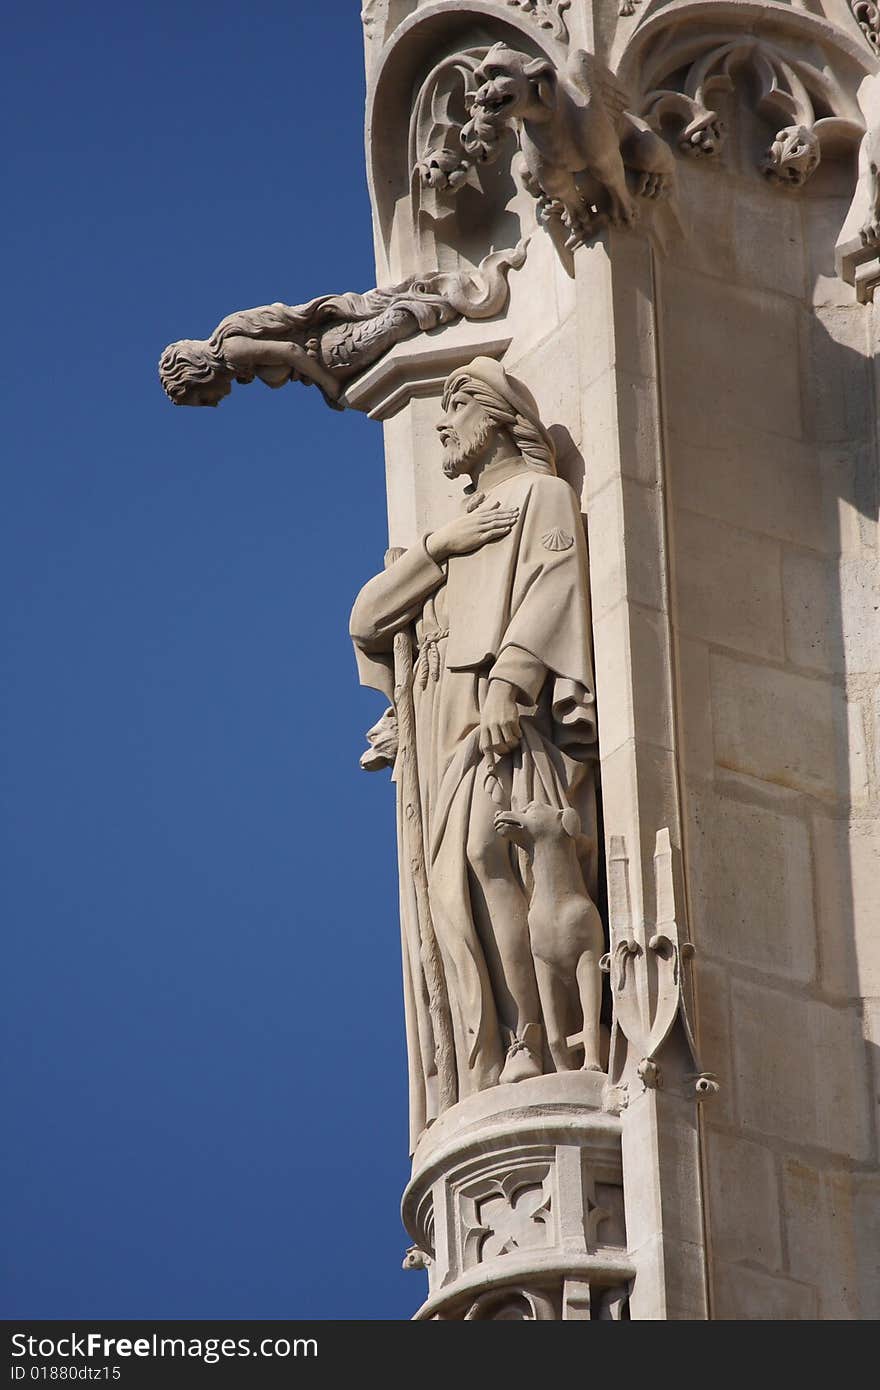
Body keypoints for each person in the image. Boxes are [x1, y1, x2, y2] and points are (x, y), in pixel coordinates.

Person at [350, 358, 599, 1138]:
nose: (443, 423)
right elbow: (366, 621)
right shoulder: (452, 532)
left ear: (497, 415)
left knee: (497, 856)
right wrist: (438, 545)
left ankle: (544, 1035)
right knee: (453, 884)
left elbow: (555, 582)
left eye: (457, 405)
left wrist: (511, 681)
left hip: (499, 715)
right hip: (443, 719)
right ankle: (498, 1041)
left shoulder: (540, 495)